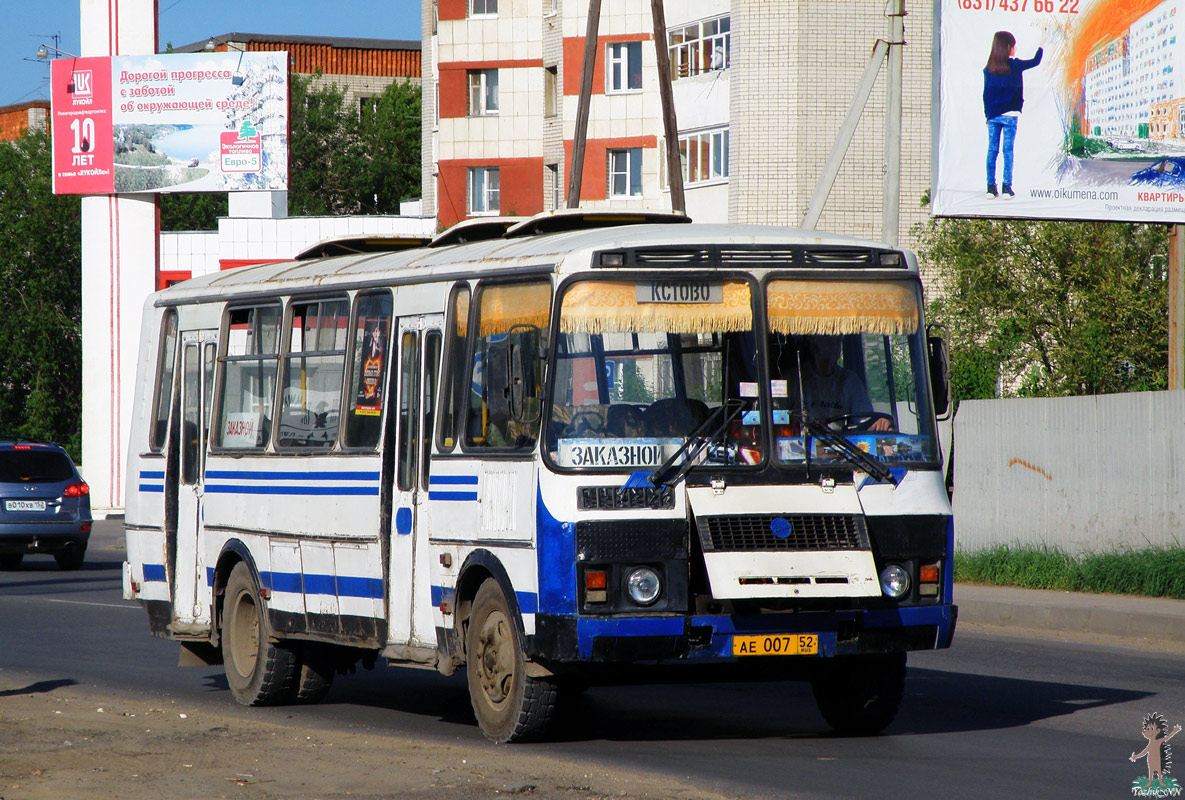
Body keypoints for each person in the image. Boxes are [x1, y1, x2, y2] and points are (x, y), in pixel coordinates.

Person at [784, 335, 891, 431]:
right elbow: (779, 420)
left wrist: (879, 424)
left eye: (838, 341)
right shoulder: (792, 380)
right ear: (812, 343)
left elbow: (865, 422)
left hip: (841, 448)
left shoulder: (850, 381)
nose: (834, 347)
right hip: (803, 449)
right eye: (828, 340)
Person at [983, 31, 1043, 198]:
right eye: (1013, 45)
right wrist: (1041, 44)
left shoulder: (989, 69)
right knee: (1007, 151)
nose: (1015, 48)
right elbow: (1035, 61)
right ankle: (1006, 188)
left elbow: (986, 94)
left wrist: (987, 115)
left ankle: (990, 187)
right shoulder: (1015, 65)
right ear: (1008, 47)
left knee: (992, 150)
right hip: (1010, 115)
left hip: (993, 115)